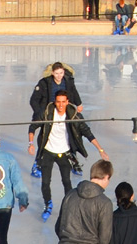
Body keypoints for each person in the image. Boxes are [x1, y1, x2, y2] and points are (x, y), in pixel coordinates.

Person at [28, 91, 109, 221]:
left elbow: (87, 132)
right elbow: (33, 126)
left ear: (67, 102)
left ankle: (69, 206)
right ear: (55, 102)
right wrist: (31, 143)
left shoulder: (74, 115)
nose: (60, 105)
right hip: (48, 151)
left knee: (66, 181)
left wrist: (100, 149)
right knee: (45, 182)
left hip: (64, 152)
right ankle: (48, 204)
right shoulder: (47, 112)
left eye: (63, 102)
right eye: (58, 102)